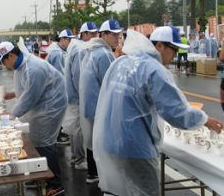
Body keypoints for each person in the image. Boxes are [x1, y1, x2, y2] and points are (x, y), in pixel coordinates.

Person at [93, 27, 224, 196]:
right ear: (160, 46)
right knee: (144, 191)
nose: (174, 56)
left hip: (111, 140)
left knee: (118, 191)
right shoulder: (153, 69)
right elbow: (177, 112)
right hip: (136, 146)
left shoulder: (121, 62)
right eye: (174, 50)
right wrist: (206, 120)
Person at [0, 42, 67, 196]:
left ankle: (55, 184)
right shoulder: (20, 66)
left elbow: (30, 97)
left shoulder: (33, 68)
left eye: (3, 61)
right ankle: (39, 175)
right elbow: (26, 88)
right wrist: (13, 94)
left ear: (11, 55)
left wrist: (11, 115)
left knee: (45, 142)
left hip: (51, 105)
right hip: (41, 102)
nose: (3, 64)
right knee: (33, 139)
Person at [79, 19, 122, 183]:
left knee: (92, 140)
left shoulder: (91, 51)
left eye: (119, 34)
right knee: (102, 142)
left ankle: (93, 173)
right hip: (100, 107)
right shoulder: (104, 54)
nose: (117, 38)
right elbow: (111, 83)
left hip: (90, 106)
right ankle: (103, 176)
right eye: (113, 34)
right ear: (103, 35)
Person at [64, 21, 98, 170]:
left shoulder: (77, 47)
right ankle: (79, 160)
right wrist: (83, 95)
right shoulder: (79, 50)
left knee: (74, 128)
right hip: (78, 96)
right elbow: (78, 76)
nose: (94, 36)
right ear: (83, 34)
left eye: (96, 33)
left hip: (74, 95)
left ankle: (74, 157)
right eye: (91, 34)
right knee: (78, 128)